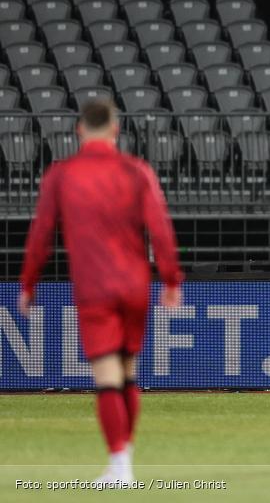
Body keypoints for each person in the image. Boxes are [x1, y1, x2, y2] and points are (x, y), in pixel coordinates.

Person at [18, 99, 183, 484]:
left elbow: (41, 235)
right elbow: (161, 230)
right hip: (135, 285)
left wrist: (28, 284)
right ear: (115, 129)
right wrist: (172, 280)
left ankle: (120, 464)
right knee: (128, 372)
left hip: (95, 286)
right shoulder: (137, 170)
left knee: (107, 375)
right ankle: (124, 459)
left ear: (79, 130)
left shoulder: (62, 174)